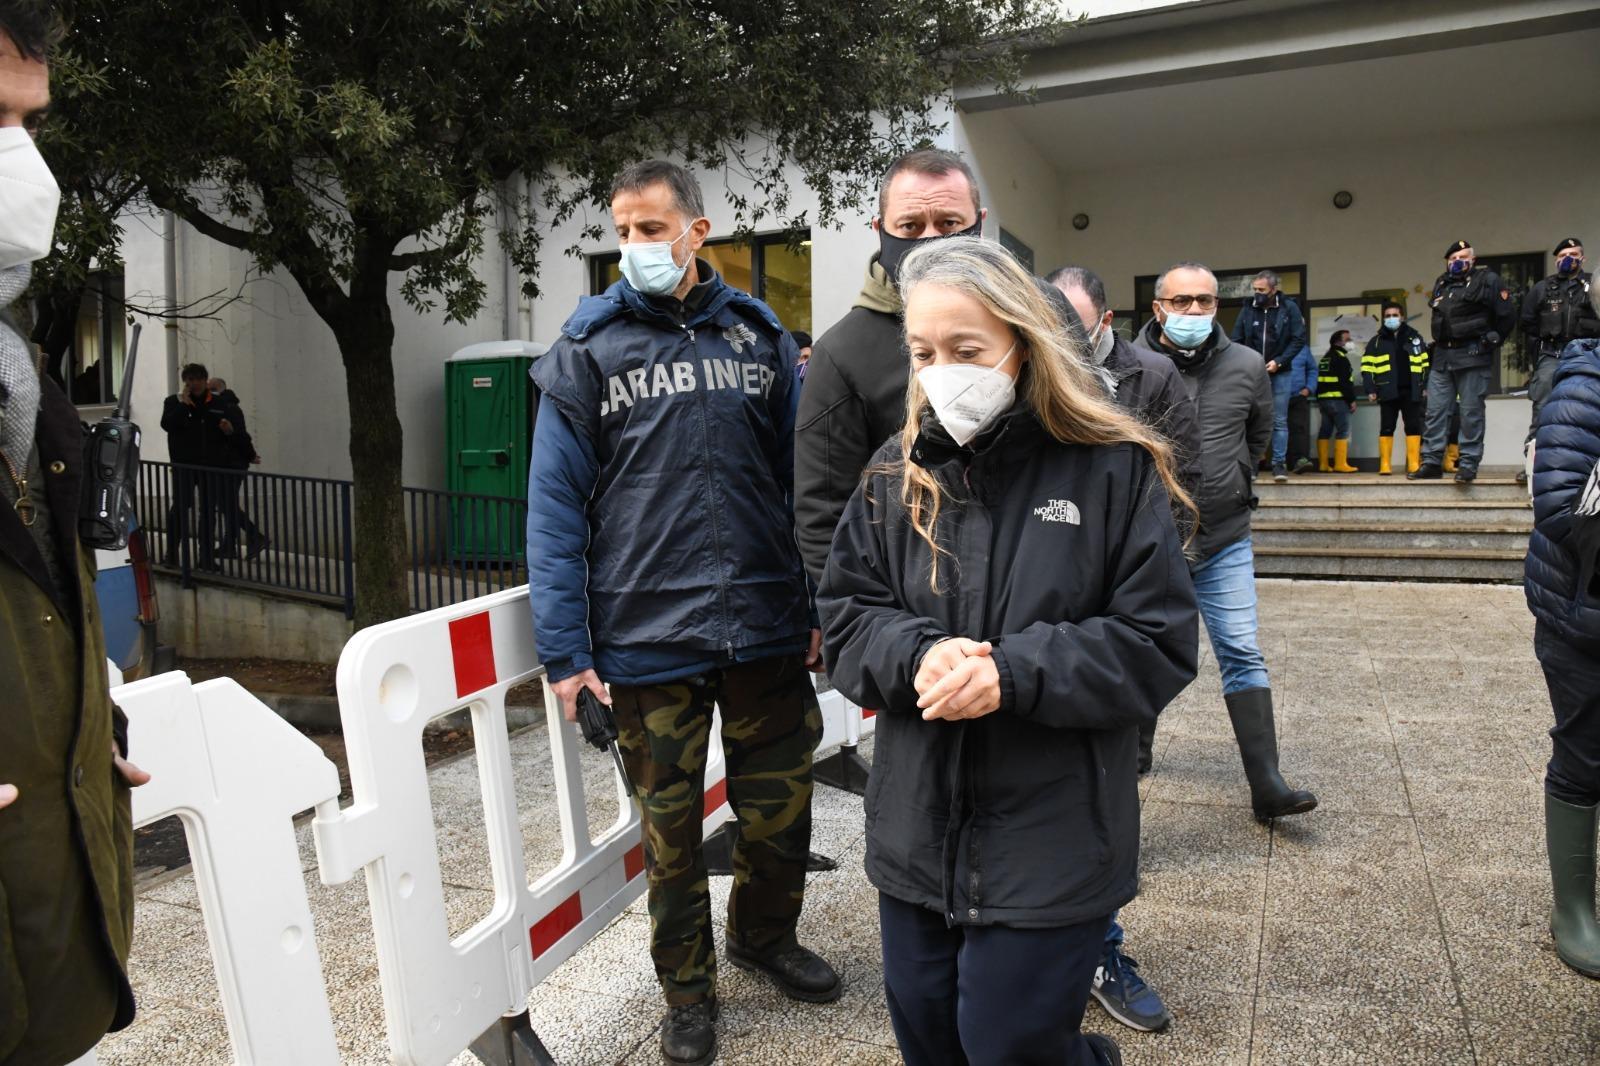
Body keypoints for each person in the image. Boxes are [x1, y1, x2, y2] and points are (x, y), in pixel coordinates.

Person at [819, 236, 1198, 1066]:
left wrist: (1011, 673)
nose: (940, 370)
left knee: (1009, 1049)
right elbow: (847, 616)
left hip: (1053, 836)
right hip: (919, 831)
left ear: (1022, 348)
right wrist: (917, 654)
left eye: (966, 350)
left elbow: (1157, 642)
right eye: (923, 352)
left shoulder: (1112, 470)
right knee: (931, 1043)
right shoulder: (893, 474)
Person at [526, 159, 837, 1066]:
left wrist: (818, 602)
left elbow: (802, 485)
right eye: (622, 231)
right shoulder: (587, 352)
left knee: (781, 814)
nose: (637, 247)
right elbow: (552, 511)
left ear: (698, 232)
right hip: (647, 640)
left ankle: (765, 939)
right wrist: (565, 653)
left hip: (766, 628)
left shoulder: (758, 337)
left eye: (652, 229)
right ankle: (688, 992)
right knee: (669, 841)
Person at [0, 5, 149, 1063]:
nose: (25, 172)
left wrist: (91, 717)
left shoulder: (15, 359)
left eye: (29, 129)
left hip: (50, 876)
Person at [1049, 264, 1200, 1038]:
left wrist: (1133, 585)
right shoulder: (1022, 375)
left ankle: (1101, 953)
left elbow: (1180, 485)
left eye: (1077, 326)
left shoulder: (1153, 376)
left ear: (1104, 320)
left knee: (1105, 790)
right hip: (1036, 631)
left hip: (1116, 623)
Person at [1133, 261, 1318, 821]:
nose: (1194, 311)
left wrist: (1231, 480)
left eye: (1206, 301)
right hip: (1150, 539)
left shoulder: (1245, 365)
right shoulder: (1130, 367)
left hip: (1225, 536)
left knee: (1240, 650)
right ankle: (1134, 750)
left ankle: (1267, 783)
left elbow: (1258, 436)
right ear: (1158, 307)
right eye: (1182, 301)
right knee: (1140, 647)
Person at [795, 147, 985, 582]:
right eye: (911, 226)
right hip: (914, 615)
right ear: (881, 231)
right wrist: (869, 630)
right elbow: (824, 518)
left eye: (950, 224)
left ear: (980, 222)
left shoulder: (1032, 322)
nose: (931, 240)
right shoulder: (842, 355)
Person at [1523, 325, 1600, 980]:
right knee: (1584, 756)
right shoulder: (1583, 387)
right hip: (1584, 618)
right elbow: (1562, 507)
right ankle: (1573, 909)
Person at [1411, 240, 1516, 483]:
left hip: (1473, 355)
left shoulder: (1488, 281)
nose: (1457, 262)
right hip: (1442, 356)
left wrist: (1494, 339)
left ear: (1473, 260)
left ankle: (1467, 464)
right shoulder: (1442, 282)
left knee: (1470, 412)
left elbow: (1507, 314)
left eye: (1463, 257)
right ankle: (1432, 462)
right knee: (1435, 411)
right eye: (1452, 258)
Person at [1520, 238, 1599, 484]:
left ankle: (1586, 468)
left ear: (1583, 258)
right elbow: (1527, 321)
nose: (1568, 258)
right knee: (1542, 409)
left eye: (1574, 254)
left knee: (1585, 409)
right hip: (1551, 356)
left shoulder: (1592, 286)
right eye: (1563, 254)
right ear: (1556, 259)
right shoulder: (1543, 288)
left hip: (1585, 356)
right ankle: (1531, 466)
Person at [159, 363, 242, 570]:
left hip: (210, 466)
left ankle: (205, 558)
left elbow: (233, 431)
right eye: (188, 379)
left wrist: (230, 432)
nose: (192, 383)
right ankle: (171, 554)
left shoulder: (218, 402)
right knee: (180, 508)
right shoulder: (173, 402)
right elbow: (167, 424)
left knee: (207, 512)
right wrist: (184, 405)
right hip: (184, 466)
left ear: (205, 380)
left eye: (197, 379)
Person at [1231, 269, 1309, 481]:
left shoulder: (1289, 308)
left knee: (1279, 420)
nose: (1257, 293)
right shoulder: (1248, 309)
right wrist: (1247, 363)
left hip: (1280, 372)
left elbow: (1298, 339)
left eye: (1262, 290)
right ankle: (1253, 464)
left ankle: (1278, 464)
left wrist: (1280, 361)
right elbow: (1236, 339)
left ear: (1274, 289)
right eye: (1255, 289)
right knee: (1251, 419)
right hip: (1252, 373)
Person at [1361, 301, 1429, 476]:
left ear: (1402, 317)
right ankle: (1385, 465)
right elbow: (1367, 368)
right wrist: (1370, 389)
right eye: (1388, 316)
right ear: (1384, 318)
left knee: (1413, 427)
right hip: (1387, 390)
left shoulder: (1414, 337)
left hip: (1411, 390)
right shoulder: (1376, 342)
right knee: (1386, 427)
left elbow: (1425, 365)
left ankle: (1414, 464)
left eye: (1395, 315)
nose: (1391, 319)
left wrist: (1424, 386)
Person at [206, 377, 267, 561]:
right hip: (232, 462)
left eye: (212, 389)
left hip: (230, 463)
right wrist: (249, 455)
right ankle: (229, 545)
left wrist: (249, 454)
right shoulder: (229, 406)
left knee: (226, 504)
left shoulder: (226, 407)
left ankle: (254, 536)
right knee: (227, 504)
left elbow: (239, 434)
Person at [1315, 330, 1359, 473]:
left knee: (1325, 431)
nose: (1350, 342)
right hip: (1338, 400)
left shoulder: (1325, 358)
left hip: (1324, 401)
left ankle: (1323, 464)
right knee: (1343, 431)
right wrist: (1351, 400)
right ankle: (1340, 464)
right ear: (1338, 342)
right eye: (1347, 339)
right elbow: (1345, 383)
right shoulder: (1341, 359)